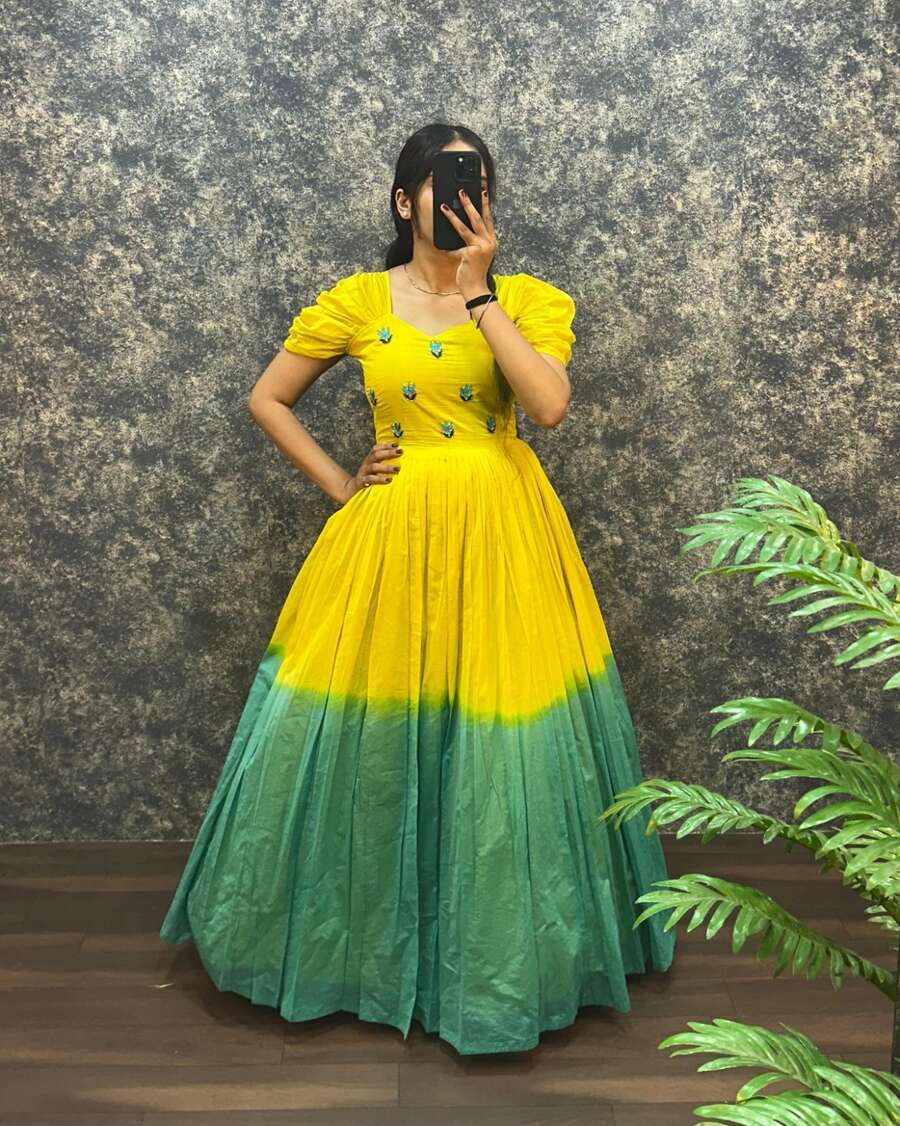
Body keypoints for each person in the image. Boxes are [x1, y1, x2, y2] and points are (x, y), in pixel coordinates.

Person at [159, 123, 676, 1056]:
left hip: (504, 540)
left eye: (478, 182)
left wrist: (480, 294)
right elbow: (267, 398)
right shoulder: (358, 301)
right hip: (390, 540)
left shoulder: (526, 300)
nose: (463, 197)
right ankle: (359, 955)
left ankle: (494, 960)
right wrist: (340, 482)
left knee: (500, 738)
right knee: (369, 734)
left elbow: (548, 406)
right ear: (405, 201)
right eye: (444, 182)